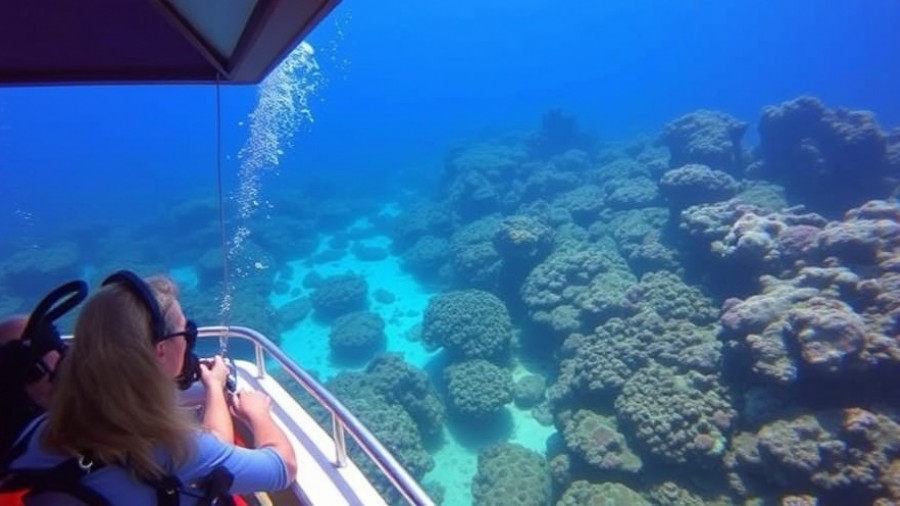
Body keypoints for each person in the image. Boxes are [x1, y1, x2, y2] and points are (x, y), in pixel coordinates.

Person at [5, 271, 297, 505]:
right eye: (185, 331)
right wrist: (258, 413)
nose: (187, 340)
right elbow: (282, 468)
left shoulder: (39, 430)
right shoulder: (170, 449)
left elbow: (205, 450)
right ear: (160, 350)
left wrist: (212, 388)